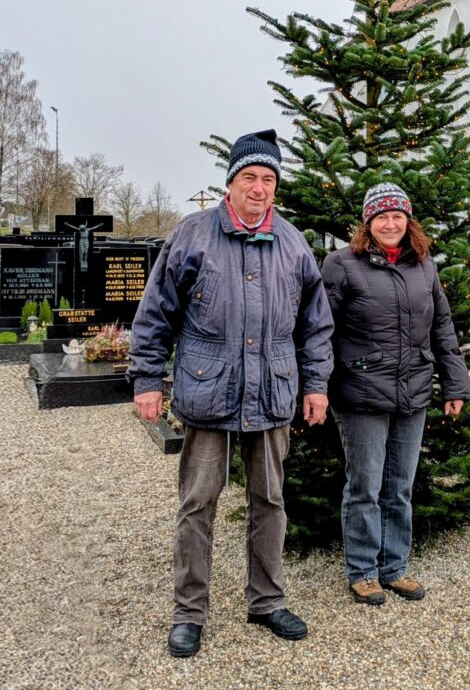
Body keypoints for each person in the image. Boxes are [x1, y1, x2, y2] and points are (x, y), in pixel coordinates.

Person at [127, 129, 334, 658]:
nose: (259, 188)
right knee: (198, 503)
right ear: (231, 183)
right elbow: (155, 313)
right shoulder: (192, 235)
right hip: (207, 389)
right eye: (250, 177)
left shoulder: (292, 242)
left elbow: (315, 325)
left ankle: (266, 601)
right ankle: (188, 611)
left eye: (268, 179)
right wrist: (147, 379)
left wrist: (315, 385)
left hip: (271, 392)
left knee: (270, 500)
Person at [320, 182, 470, 606]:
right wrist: (316, 386)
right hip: (361, 393)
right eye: (382, 216)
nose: (390, 224)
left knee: (400, 486)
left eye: (397, 216)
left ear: (408, 221)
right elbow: (320, 329)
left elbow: (442, 327)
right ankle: (363, 571)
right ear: (368, 222)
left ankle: (394, 567)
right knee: (365, 487)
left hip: (413, 391)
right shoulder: (341, 265)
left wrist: (455, 383)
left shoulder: (424, 266)